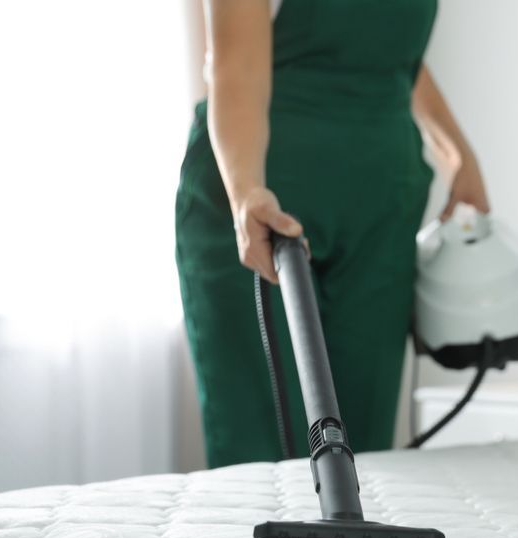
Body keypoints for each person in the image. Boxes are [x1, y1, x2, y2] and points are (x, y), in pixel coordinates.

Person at [176, 0, 488, 467]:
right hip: (264, 200)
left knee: (365, 449)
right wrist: (246, 194)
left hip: (381, 206)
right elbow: (235, 64)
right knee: (261, 444)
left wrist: (459, 155)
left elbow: (395, 58)